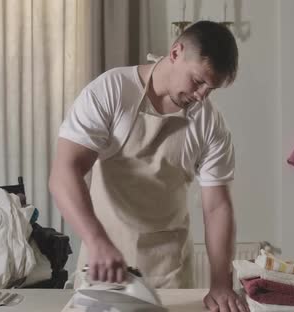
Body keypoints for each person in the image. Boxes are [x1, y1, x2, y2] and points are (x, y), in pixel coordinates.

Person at [49, 21, 248, 312]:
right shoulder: (111, 91)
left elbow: (217, 207)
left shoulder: (210, 123)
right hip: (103, 268)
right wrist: (96, 240)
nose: (202, 95)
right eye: (198, 81)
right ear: (176, 52)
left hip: (171, 274)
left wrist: (221, 283)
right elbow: (64, 172)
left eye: (211, 88)